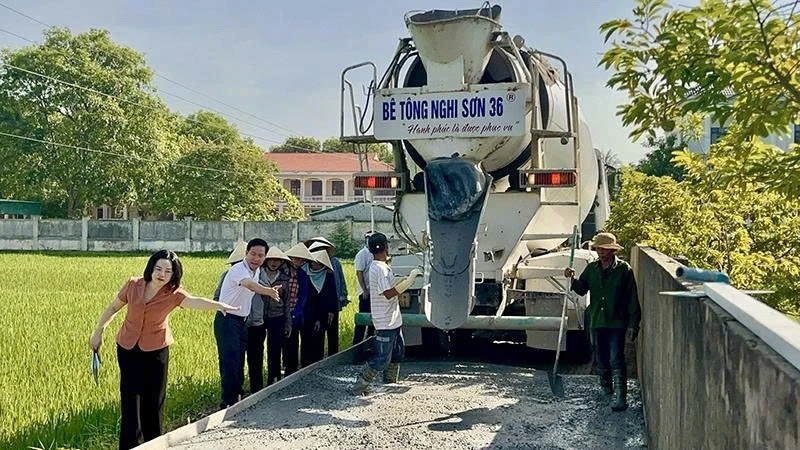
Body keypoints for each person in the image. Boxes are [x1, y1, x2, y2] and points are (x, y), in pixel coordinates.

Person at [89, 249, 239, 450]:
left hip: (156, 350)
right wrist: (98, 331)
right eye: (158, 268)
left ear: (173, 274)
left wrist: (220, 305)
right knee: (130, 399)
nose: (161, 274)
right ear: (151, 268)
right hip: (127, 347)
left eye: (167, 271)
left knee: (153, 401)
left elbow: (194, 301)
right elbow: (113, 308)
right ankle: (130, 446)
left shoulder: (174, 293)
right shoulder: (134, 285)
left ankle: (154, 444)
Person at [565, 232, 641, 412]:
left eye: (604, 249)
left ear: (612, 250)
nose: (600, 252)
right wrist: (572, 278)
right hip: (597, 320)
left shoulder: (624, 270)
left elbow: (632, 299)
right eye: (598, 248)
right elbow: (582, 290)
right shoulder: (592, 269)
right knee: (601, 359)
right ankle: (606, 389)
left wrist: (633, 324)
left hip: (617, 321)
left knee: (616, 358)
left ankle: (621, 396)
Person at [214, 238, 281, 408]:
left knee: (239, 360)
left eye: (260, 255)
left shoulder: (256, 271)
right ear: (246, 253)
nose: (256, 258)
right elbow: (250, 285)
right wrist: (269, 291)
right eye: (253, 254)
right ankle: (227, 402)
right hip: (227, 319)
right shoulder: (238, 270)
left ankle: (237, 395)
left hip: (242, 321)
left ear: (264, 258)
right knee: (230, 360)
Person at [353, 233, 422, 395]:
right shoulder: (379, 268)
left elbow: (389, 285)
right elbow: (389, 293)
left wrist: (403, 279)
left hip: (393, 319)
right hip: (385, 321)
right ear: (386, 247)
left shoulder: (381, 267)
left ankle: (390, 381)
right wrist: (410, 280)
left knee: (398, 352)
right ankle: (360, 385)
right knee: (382, 359)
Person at [306, 238, 348, 356]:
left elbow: (340, 280)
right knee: (316, 333)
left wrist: (341, 297)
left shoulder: (334, 262)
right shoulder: (307, 266)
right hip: (313, 306)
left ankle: (333, 357)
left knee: (332, 333)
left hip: (332, 301)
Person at [300, 248, 339, 366]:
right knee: (306, 339)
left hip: (323, 312)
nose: (314, 264)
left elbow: (332, 295)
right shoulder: (304, 274)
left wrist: (331, 311)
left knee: (319, 338)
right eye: (312, 261)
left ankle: (317, 364)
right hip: (307, 312)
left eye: (317, 262)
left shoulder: (328, 276)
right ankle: (305, 365)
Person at [260, 247, 292, 385]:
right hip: (260, 317)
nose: (274, 262)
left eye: (278, 260)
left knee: (275, 349)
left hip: (277, 316)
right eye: (272, 259)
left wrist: (288, 323)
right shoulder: (258, 275)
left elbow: (287, 303)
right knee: (258, 350)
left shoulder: (284, 279)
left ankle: (274, 378)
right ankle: (258, 383)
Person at [283, 242, 314, 376]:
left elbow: (303, 295)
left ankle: (292, 368)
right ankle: (283, 366)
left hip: (294, 312)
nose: (298, 261)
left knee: (293, 340)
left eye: (301, 259)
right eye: (296, 258)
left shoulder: (302, 275)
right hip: (279, 311)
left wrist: (297, 311)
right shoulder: (282, 272)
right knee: (281, 341)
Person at [352, 231, 375, 345]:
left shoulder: (375, 253)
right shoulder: (362, 254)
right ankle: (357, 344)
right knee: (363, 320)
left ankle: (369, 343)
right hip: (366, 293)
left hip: (375, 293)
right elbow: (359, 273)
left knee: (373, 321)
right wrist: (364, 290)